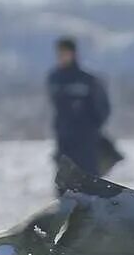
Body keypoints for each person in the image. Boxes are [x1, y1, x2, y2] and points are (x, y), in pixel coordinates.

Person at [46, 37, 113, 196]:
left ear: (73, 53)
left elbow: (103, 108)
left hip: (86, 141)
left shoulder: (88, 80)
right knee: (64, 185)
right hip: (64, 140)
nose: (63, 56)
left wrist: (90, 128)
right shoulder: (54, 79)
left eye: (66, 53)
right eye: (60, 53)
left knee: (89, 184)